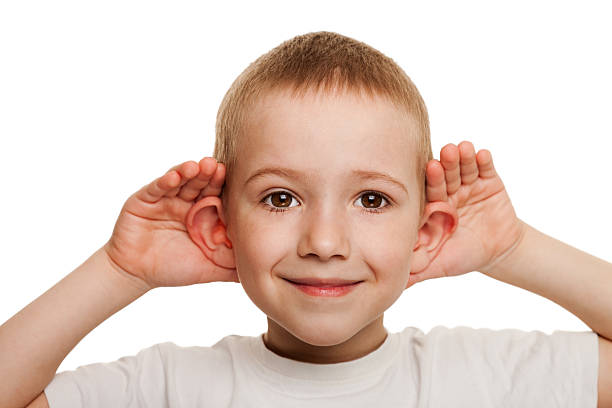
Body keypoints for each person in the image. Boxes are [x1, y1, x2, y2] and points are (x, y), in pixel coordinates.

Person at [1, 31, 610, 408]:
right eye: (280, 199)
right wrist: (119, 270)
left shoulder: (487, 380)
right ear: (221, 229)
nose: (323, 242)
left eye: (371, 200)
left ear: (425, 235)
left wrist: (512, 248)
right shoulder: (168, 387)